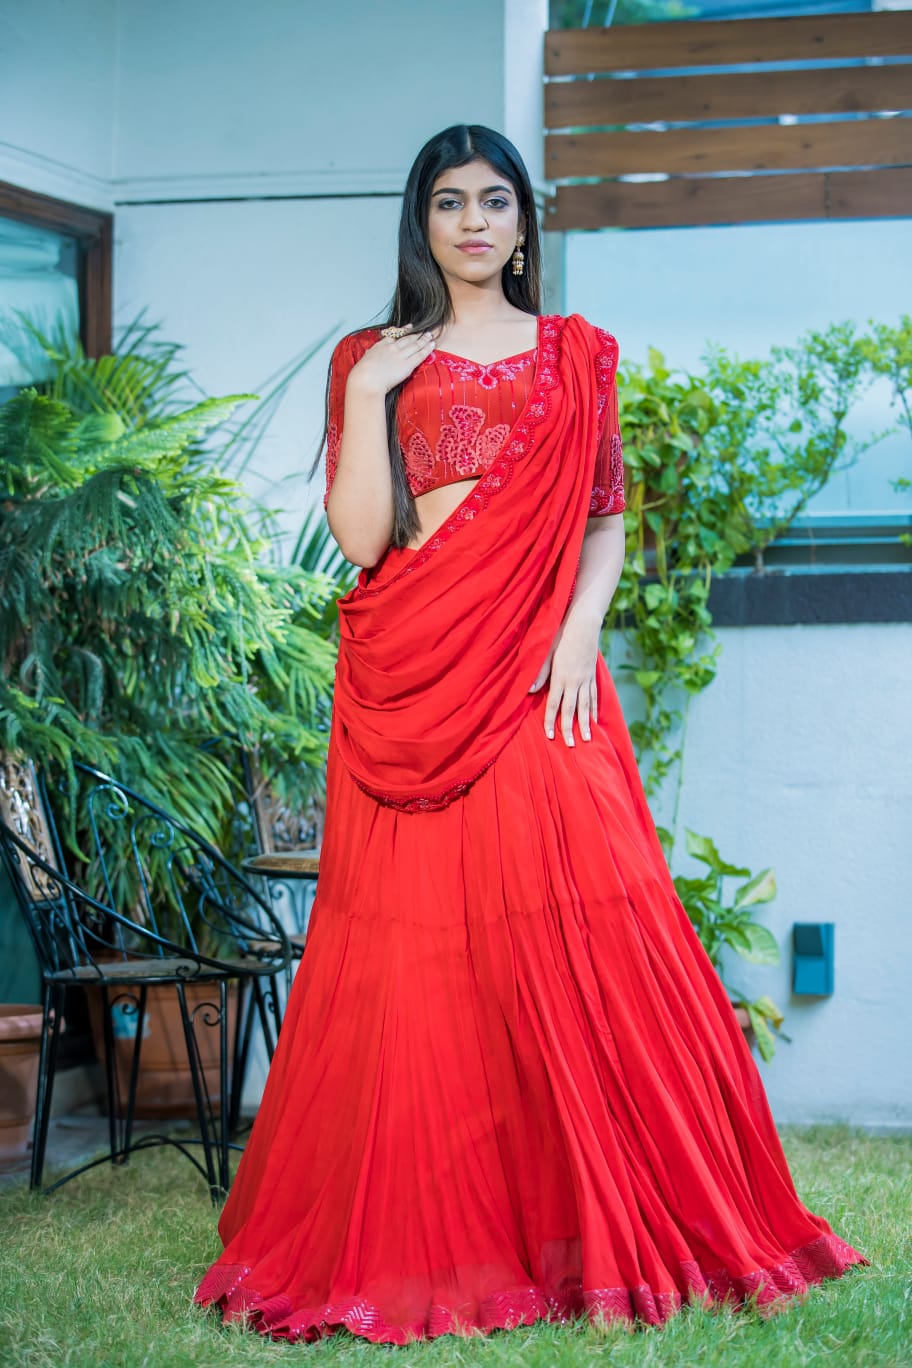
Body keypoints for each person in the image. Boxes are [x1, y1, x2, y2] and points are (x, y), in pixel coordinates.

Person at [194, 125, 864, 1344]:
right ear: (422, 222)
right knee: (422, 962)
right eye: (450, 201)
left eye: (494, 200)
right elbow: (362, 541)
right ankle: (453, 1231)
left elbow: (604, 518)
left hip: (545, 674)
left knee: (583, 927)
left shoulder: (575, 355)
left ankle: (598, 1216)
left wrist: (576, 632)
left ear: (522, 223)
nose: (473, 221)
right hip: (411, 675)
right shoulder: (369, 359)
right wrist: (367, 393)